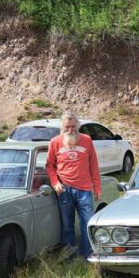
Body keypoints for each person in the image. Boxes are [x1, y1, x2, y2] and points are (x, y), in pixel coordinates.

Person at [46, 111, 101, 258]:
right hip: (64, 190)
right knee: (67, 226)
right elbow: (49, 166)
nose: (70, 130)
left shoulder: (87, 140)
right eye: (67, 127)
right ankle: (70, 256)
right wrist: (55, 183)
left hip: (84, 189)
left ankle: (87, 255)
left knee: (87, 224)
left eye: (72, 126)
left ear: (77, 125)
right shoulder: (55, 142)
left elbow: (93, 165)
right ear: (62, 127)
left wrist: (97, 187)